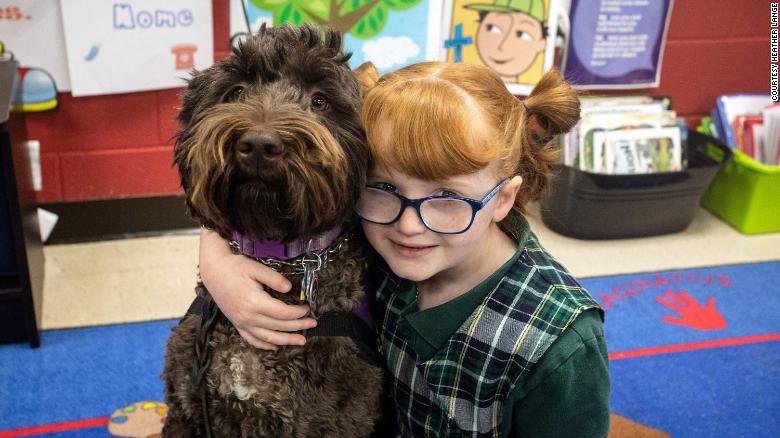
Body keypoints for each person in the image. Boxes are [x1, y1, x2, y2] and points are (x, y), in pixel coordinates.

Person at [198, 61, 610, 436]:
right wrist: (217, 261)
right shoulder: (372, 229)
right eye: (383, 186)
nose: (409, 226)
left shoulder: (563, 346)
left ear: (503, 199)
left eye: (447, 196)